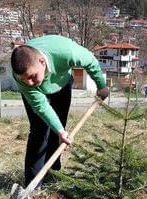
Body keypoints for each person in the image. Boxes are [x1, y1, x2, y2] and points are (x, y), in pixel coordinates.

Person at [11, 35, 109, 187]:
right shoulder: (21, 75)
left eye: (32, 76)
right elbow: (41, 107)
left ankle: (53, 173)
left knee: (59, 128)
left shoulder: (67, 52)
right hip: (40, 96)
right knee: (39, 131)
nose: (29, 83)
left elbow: (90, 61)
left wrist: (101, 86)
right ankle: (33, 185)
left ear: (42, 62)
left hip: (61, 84)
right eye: (25, 80)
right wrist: (60, 131)